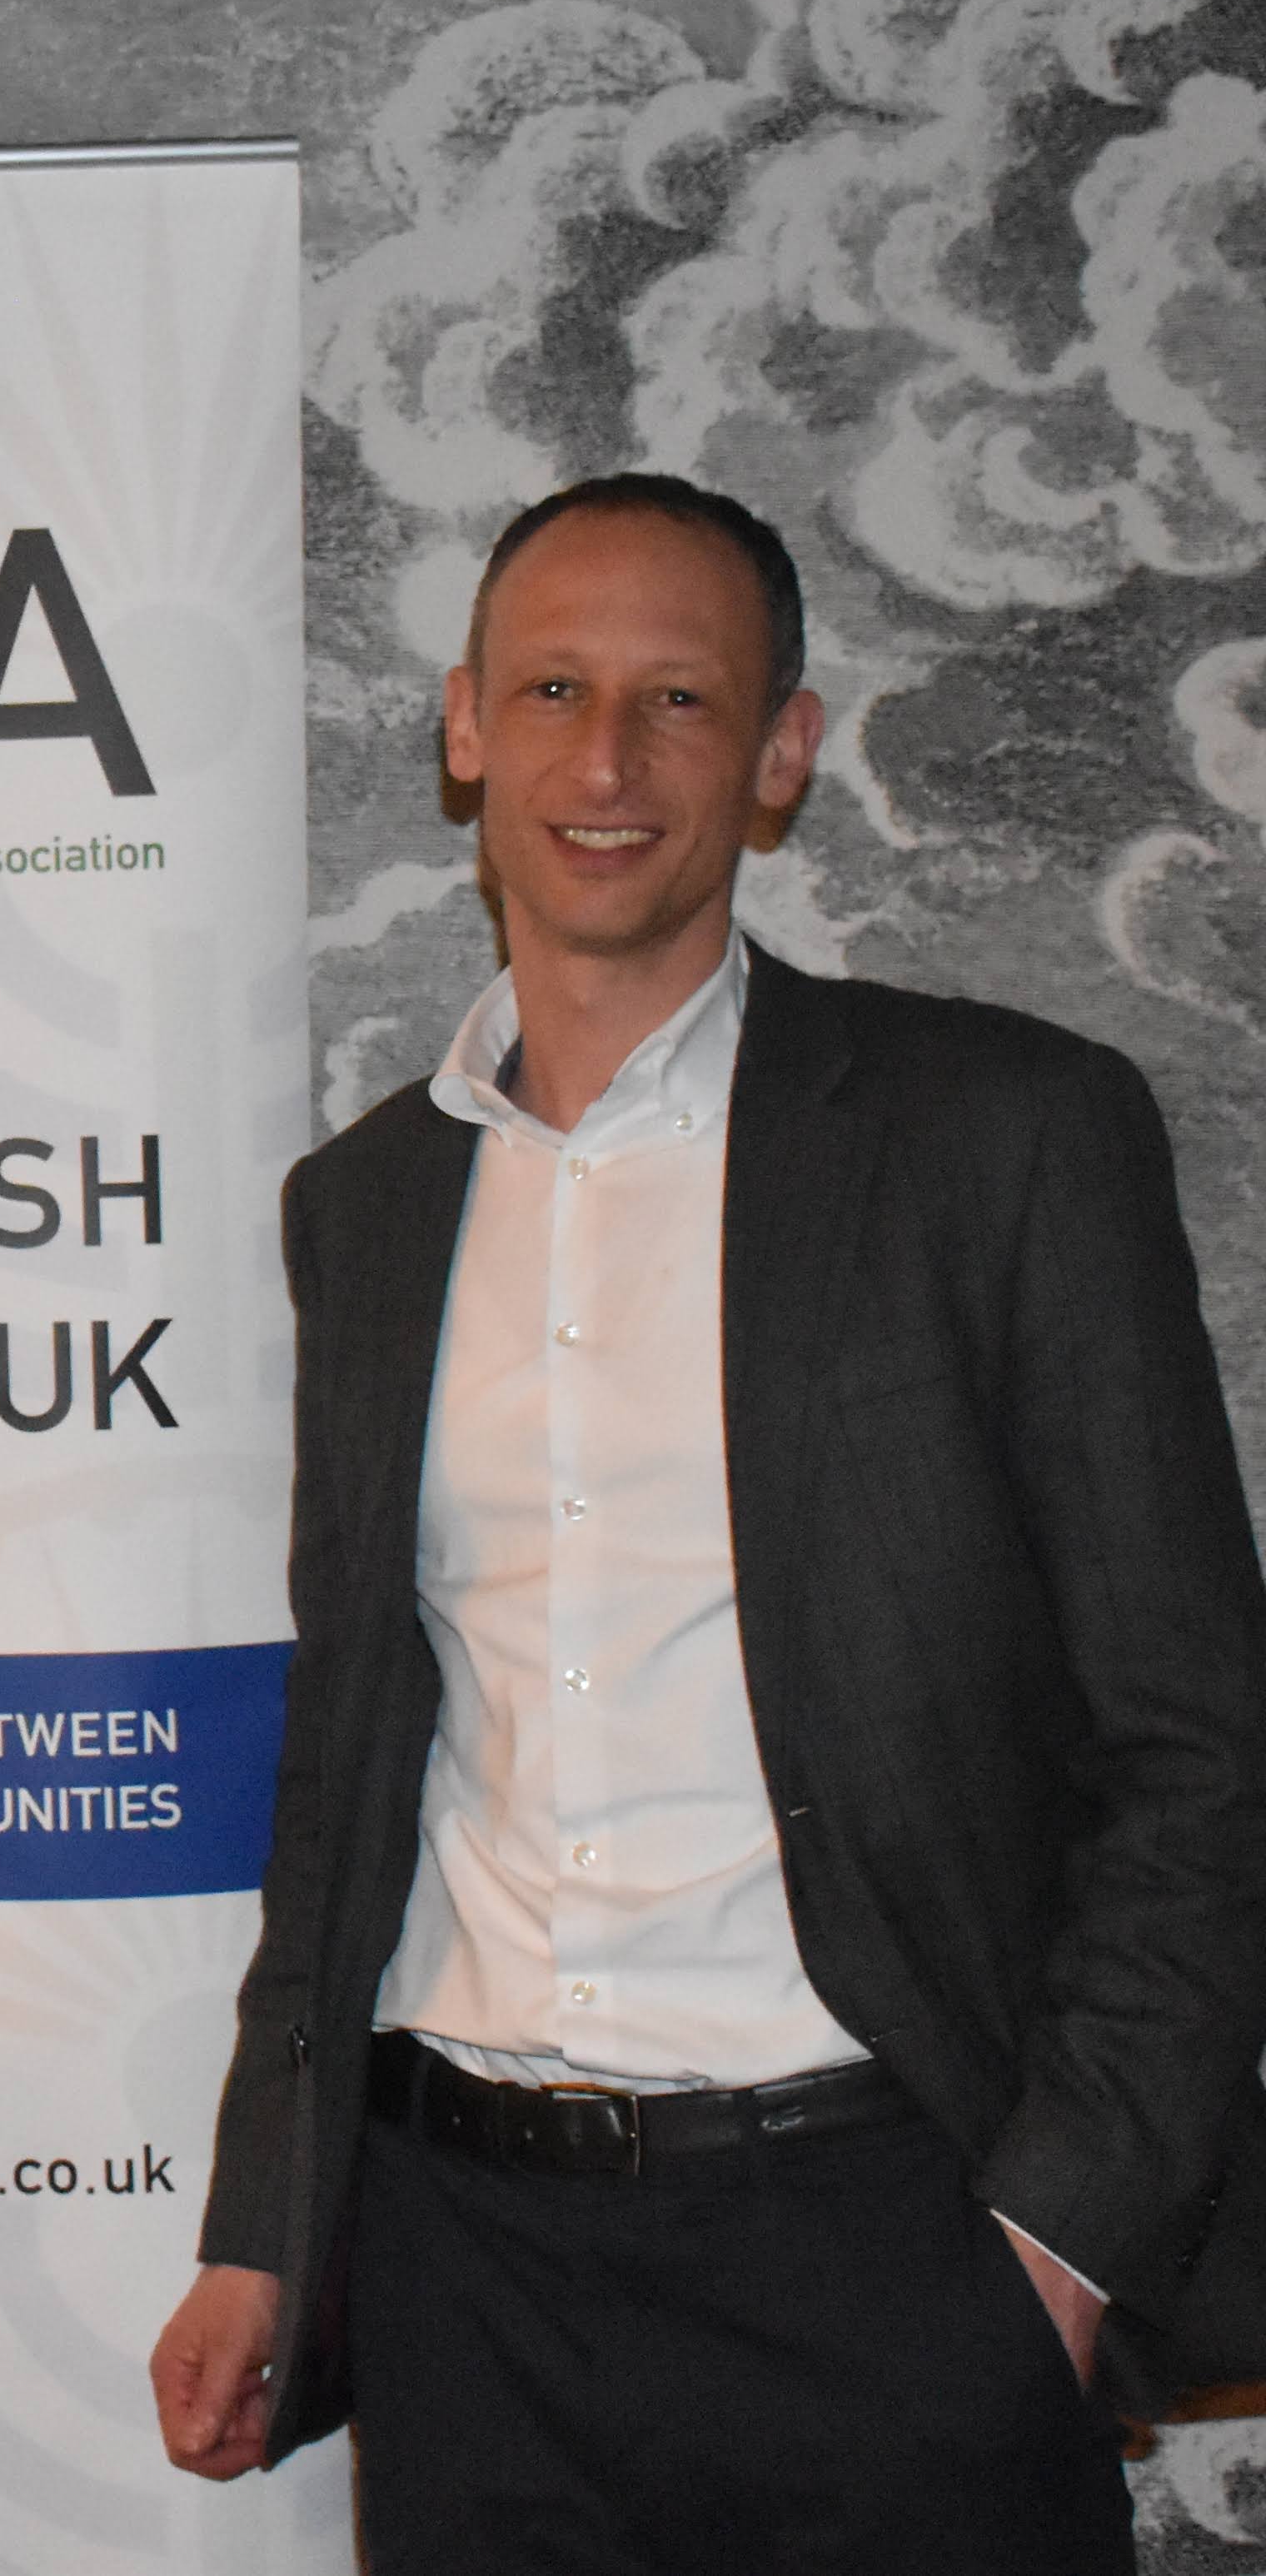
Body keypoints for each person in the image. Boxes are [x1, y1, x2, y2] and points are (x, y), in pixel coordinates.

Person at [149, 473, 1266, 2569]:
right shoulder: (367, 1208)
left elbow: (1201, 1741)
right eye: (553, 689)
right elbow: (355, 1756)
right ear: (464, 723)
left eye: (679, 699)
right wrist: (267, 2222)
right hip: (469, 2273)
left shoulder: (1002, 1136)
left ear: (780, 752)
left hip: (894, 2245)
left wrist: (1055, 2240)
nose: (606, 760)